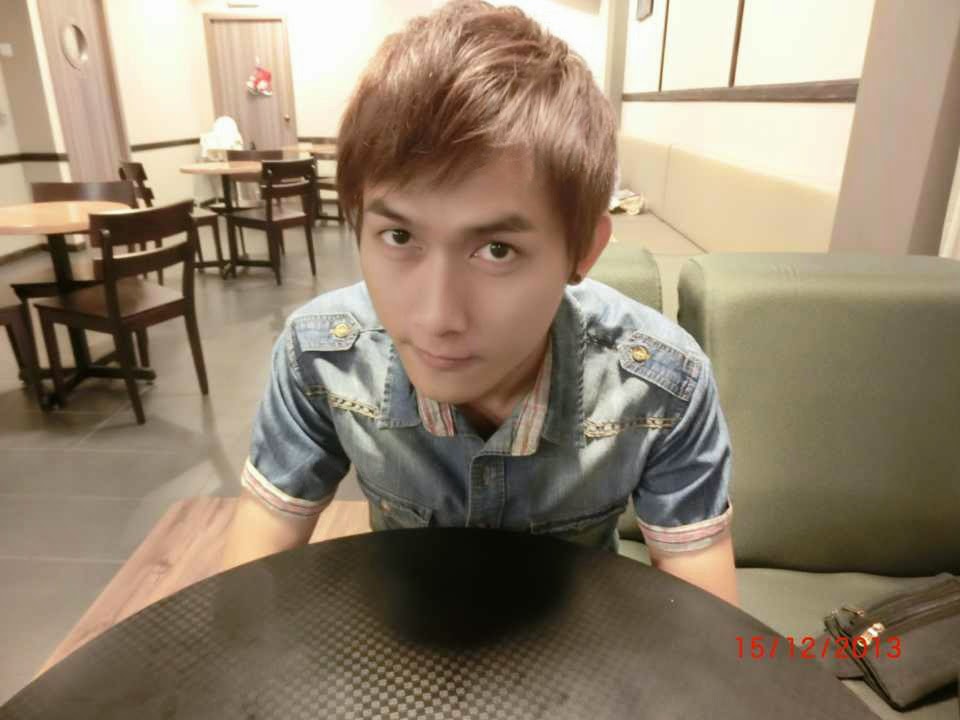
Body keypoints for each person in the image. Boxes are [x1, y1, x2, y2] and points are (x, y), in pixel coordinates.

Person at [222, 0, 738, 607]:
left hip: (582, 642)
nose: (436, 318)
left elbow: (706, 622)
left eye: (497, 250)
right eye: (399, 236)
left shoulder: (662, 385)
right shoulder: (321, 357)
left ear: (583, 250)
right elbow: (251, 581)